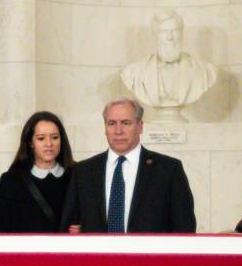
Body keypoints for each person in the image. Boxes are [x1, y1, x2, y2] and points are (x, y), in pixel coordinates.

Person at [60, 98, 196, 233]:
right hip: (99, 254)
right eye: (111, 123)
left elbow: (184, 229)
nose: (118, 131)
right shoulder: (83, 172)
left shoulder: (168, 170)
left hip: (149, 254)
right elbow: (69, 227)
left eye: (126, 123)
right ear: (105, 128)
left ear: (140, 126)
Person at [0, 111, 74, 232]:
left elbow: (93, 221)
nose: (49, 144)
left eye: (55, 137)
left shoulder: (77, 176)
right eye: (41, 138)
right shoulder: (11, 181)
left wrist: (83, 228)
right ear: (30, 143)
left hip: (66, 250)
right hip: (24, 250)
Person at [121, 9, 218, 108]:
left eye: (175, 31)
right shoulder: (135, 72)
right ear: (156, 34)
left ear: (181, 33)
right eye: (164, 32)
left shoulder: (204, 71)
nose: (169, 37)